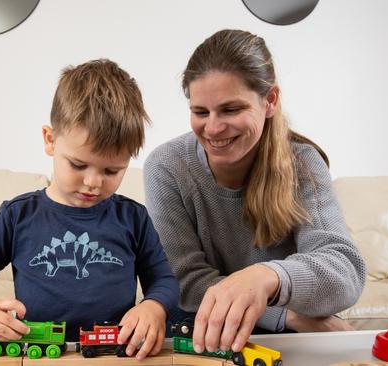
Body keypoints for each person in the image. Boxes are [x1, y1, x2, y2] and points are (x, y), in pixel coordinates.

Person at [143, 29, 366, 355]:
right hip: (206, 329)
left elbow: (344, 272)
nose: (214, 128)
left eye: (231, 110)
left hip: (289, 339)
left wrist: (267, 277)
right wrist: (287, 316)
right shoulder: (166, 167)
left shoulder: (302, 162)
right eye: (200, 112)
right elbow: (185, 284)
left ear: (270, 100)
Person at [0, 59, 179, 360]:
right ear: (50, 140)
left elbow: (164, 280)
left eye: (112, 170)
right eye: (79, 164)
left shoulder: (133, 218)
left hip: (112, 352)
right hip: (38, 353)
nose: (93, 182)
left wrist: (154, 307)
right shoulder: (16, 216)